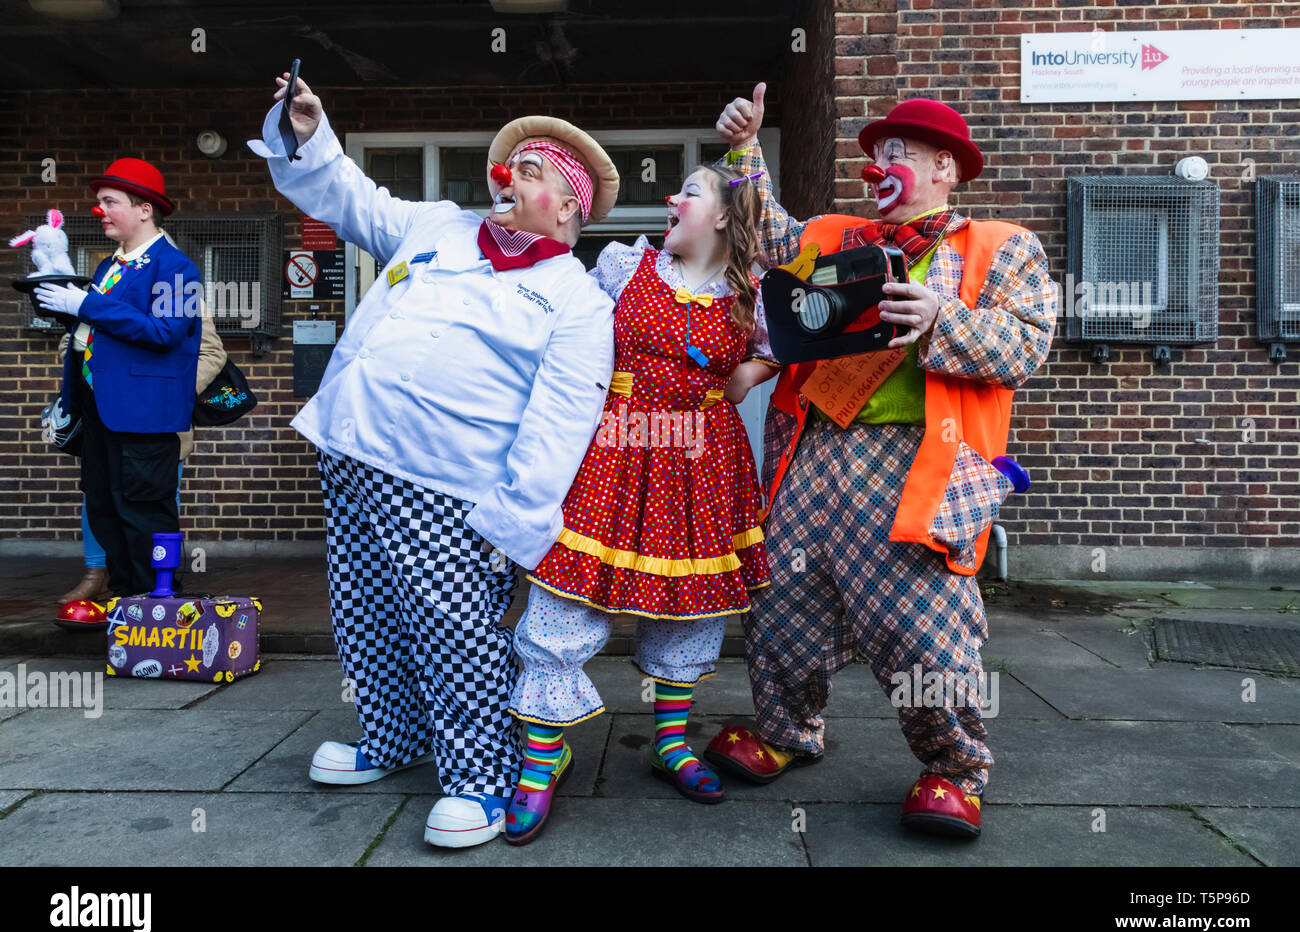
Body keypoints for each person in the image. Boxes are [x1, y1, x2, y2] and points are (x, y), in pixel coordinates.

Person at [247, 73, 620, 848]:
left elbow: (561, 422)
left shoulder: (577, 298)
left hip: (450, 487)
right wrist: (312, 131)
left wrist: (512, 527)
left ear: (570, 209)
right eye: (511, 163)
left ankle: (480, 777)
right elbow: (348, 197)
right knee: (365, 614)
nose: (510, 173)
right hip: (350, 452)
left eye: (534, 169)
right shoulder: (436, 226)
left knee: (455, 633)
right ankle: (391, 737)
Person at [703, 85, 1057, 838]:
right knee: (784, 607)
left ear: (944, 167)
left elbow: (1025, 346)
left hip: (915, 462)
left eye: (898, 153)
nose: (880, 166)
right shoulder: (836, 233)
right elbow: (767, 241)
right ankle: (787, 730)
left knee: (924, 626)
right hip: (811, 453)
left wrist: (943, 318)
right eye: (875, 156)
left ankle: (954, 770)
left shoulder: (1002, 246)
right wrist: (742, 152)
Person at [502, 163, 778, 845]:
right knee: (566, 600)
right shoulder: (623, 267)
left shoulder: (752, 293)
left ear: (721, 216)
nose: (670, 198)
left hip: (703, 464)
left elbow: (782, 345)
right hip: (616, 453)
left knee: (689, 610)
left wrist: (752, 369)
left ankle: (672, 745)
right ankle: (542, 760)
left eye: (689, 191)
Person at [37, 159, 201, 599]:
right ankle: (126, 608)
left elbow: (165, 332)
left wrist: (85, 305)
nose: (101, 211)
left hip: (144, 414)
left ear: (145, 209)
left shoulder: (177, 267)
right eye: (99, 203)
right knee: (106, 510)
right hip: (99, 409)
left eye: (110, 202)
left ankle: (157, 607)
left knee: (143, 514)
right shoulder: (108, 266)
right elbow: (97, 333)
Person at [57, 302, 226, 606]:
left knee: (156, 502)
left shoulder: (183, 298)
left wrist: (161, 392)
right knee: (98, 497)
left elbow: (211, 354)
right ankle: (97, 575)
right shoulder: (103, 297)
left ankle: (159, 585)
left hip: (158, 422)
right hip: (105, 423)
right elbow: (74, 347)